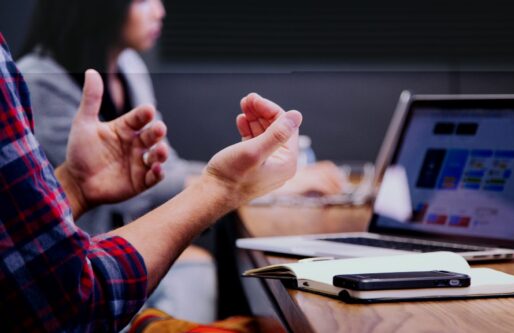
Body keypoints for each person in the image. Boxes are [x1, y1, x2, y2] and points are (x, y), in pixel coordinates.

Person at [0, 32, 303, 332]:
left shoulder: (130, 65)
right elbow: (69, 303)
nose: (159, 9)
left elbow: (18, 238)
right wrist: (224, 186)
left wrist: (75, 186)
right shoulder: (38, 79)